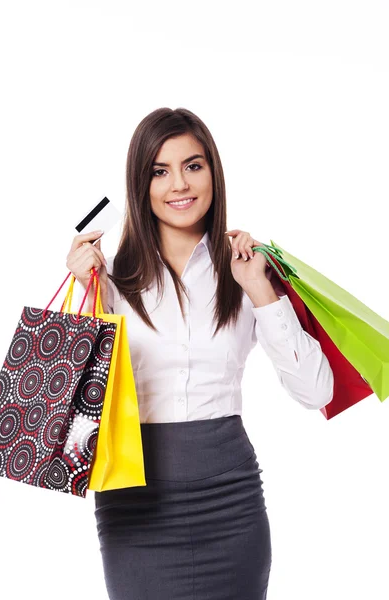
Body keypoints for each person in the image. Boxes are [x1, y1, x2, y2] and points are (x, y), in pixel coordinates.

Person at [66, 107, 334, 600]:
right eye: (159, 171)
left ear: (213, 171)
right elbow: (76, 415)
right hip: (134, 505)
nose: (179, 185)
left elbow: (317, 391)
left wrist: (260, 290)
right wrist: (84, 300)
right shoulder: (111, 281)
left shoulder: (247, 268)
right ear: (140, 184)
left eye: (193, 165)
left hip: (231, 503)